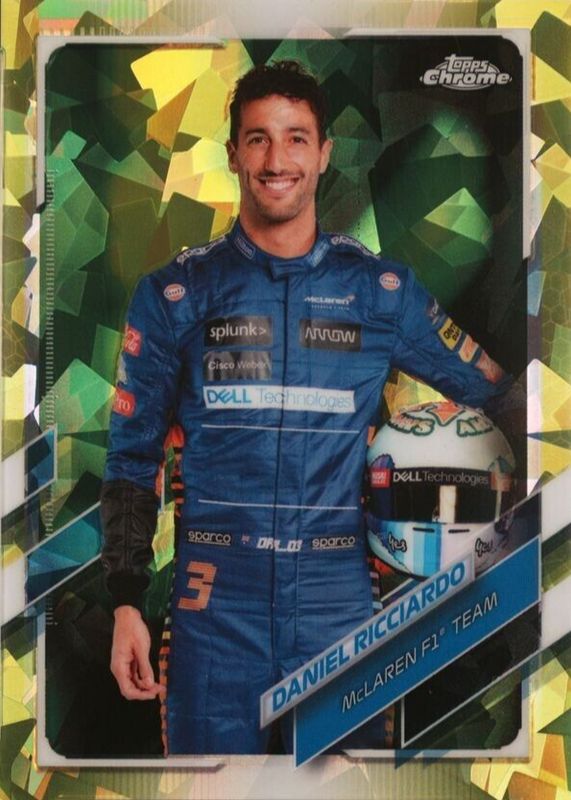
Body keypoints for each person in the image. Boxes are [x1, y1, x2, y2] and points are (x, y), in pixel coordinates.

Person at [100, 60, 514, 755]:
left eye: (295, 138)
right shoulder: (175, 293)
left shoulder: (380, 291)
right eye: (258, 139)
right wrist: (123, 600)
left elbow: (499, 391)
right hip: (212, 610)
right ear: (233, 153)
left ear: (323, 153)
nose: (276, 160)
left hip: (339, 604)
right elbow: (131, 457)